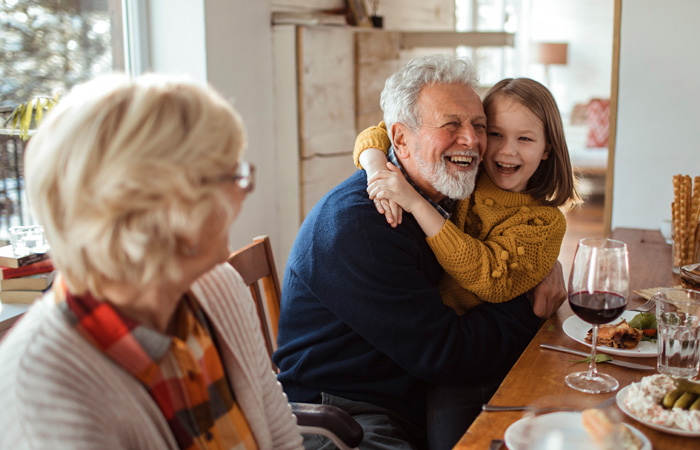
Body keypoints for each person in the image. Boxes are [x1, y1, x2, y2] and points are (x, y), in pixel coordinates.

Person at [273, 55, 566, 450]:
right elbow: (450, 354)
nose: (473, 141)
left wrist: (539, 264)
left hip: (409, 383)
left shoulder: (448, 193)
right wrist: (529, 300)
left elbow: (507, 247)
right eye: (451, 125)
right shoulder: (362, 226)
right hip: (345, 410)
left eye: (479, 127)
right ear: (401, 140)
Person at [0, 74, 303, 449]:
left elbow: (281, 438)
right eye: (233, 176)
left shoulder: (220, 286)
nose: (243, 192)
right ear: (164, 208)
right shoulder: (41, 392)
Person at [354, 77, 581, 315]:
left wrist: (416, 203)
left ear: (547, 148)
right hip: (417, 315)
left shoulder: (546, 223)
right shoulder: (468, 173)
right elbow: (380, 132)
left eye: (524, 138)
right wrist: (376, 169)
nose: (507, 150)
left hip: (474, 336)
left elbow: (491, 279)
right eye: (495, 134)